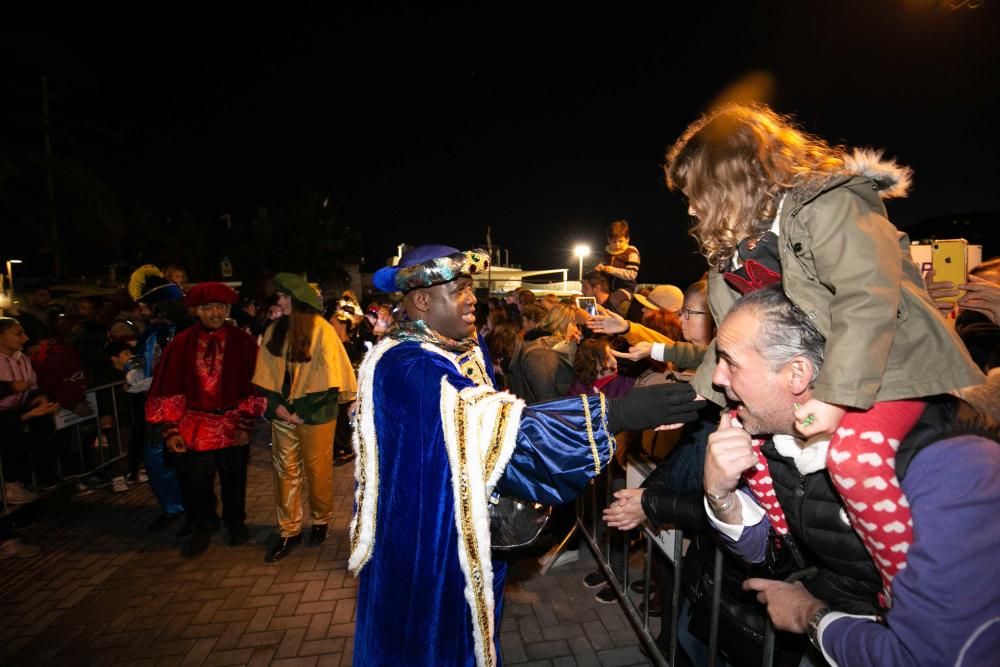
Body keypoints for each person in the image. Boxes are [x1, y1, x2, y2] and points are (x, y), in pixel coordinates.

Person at [665, 102, 985, 595]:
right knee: (734, 441)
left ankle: (904, 594)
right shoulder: (734, 255)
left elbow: (867, 297)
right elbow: (730, 340)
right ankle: (789, 554)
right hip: (815, 374)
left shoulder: (830, 203)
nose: (690, 208)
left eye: (695, 194)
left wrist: (834, 398)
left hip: (888, 366)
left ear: (730, 179)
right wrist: (692, 398)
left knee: (856, 458)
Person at [350, 244, 704, 666]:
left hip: (459, 532)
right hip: (429, 547)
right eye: (460, 289)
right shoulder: (409, 365)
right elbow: (500, 430)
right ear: (422, 300)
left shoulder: (451, 346)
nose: (473, 299)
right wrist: (617, 413)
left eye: (471, 288)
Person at [700, 285, 999, 666]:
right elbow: (769, 556)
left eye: (730, 362)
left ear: (797, 374)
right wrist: (719, 494)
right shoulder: (771, 439)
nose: (717, 379)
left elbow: (932, 656)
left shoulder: (950, 461)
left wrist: (812, 617)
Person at [145, 283, 265, 558]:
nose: (215, 313)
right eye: (208, 307)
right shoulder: (181, 344)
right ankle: (204, 523)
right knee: (195, 482)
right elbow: (168, 387)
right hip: (194, 425)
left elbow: (254, 386)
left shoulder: (243, 342)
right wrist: (171, 429)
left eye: (221, 307)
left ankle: (235, 522)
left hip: (233, 423)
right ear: (197, 310)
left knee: (234, 479)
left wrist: (246, 424)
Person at [253, 273, 357, 562]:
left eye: (285, 297)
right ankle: (289, 530)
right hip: (283, 414)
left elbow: (331, 378)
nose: (280, 302)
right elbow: (266, 376)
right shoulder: (275, 330)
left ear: (297, 300)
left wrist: (303, 410)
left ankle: (321, 520)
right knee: (284, 472)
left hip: (316, 415)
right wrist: (276, 406)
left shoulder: (322, 331)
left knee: (317, 469)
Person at [0, 317, 59, 505]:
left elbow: (32, 385)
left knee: (42, 429)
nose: (25, 338)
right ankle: (10, 485)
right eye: (18, 334)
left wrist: (40, 396)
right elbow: (13, 388)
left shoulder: (23, 359)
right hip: (3, 415)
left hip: (18, 409)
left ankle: (34, 477)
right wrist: (9, 388)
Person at [593, 218, 641, 314]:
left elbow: (632, 274)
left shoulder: (631, 252)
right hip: (607, 288)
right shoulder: (606, 253)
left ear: (627, 239)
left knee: (612, 300)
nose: (617, 245)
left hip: (625, 289)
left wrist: (612, 270)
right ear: (608, 240)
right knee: (593, 298)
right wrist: (598, 268)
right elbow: (602, 269)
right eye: (614, 242)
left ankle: (615, 326)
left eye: (621, 241)